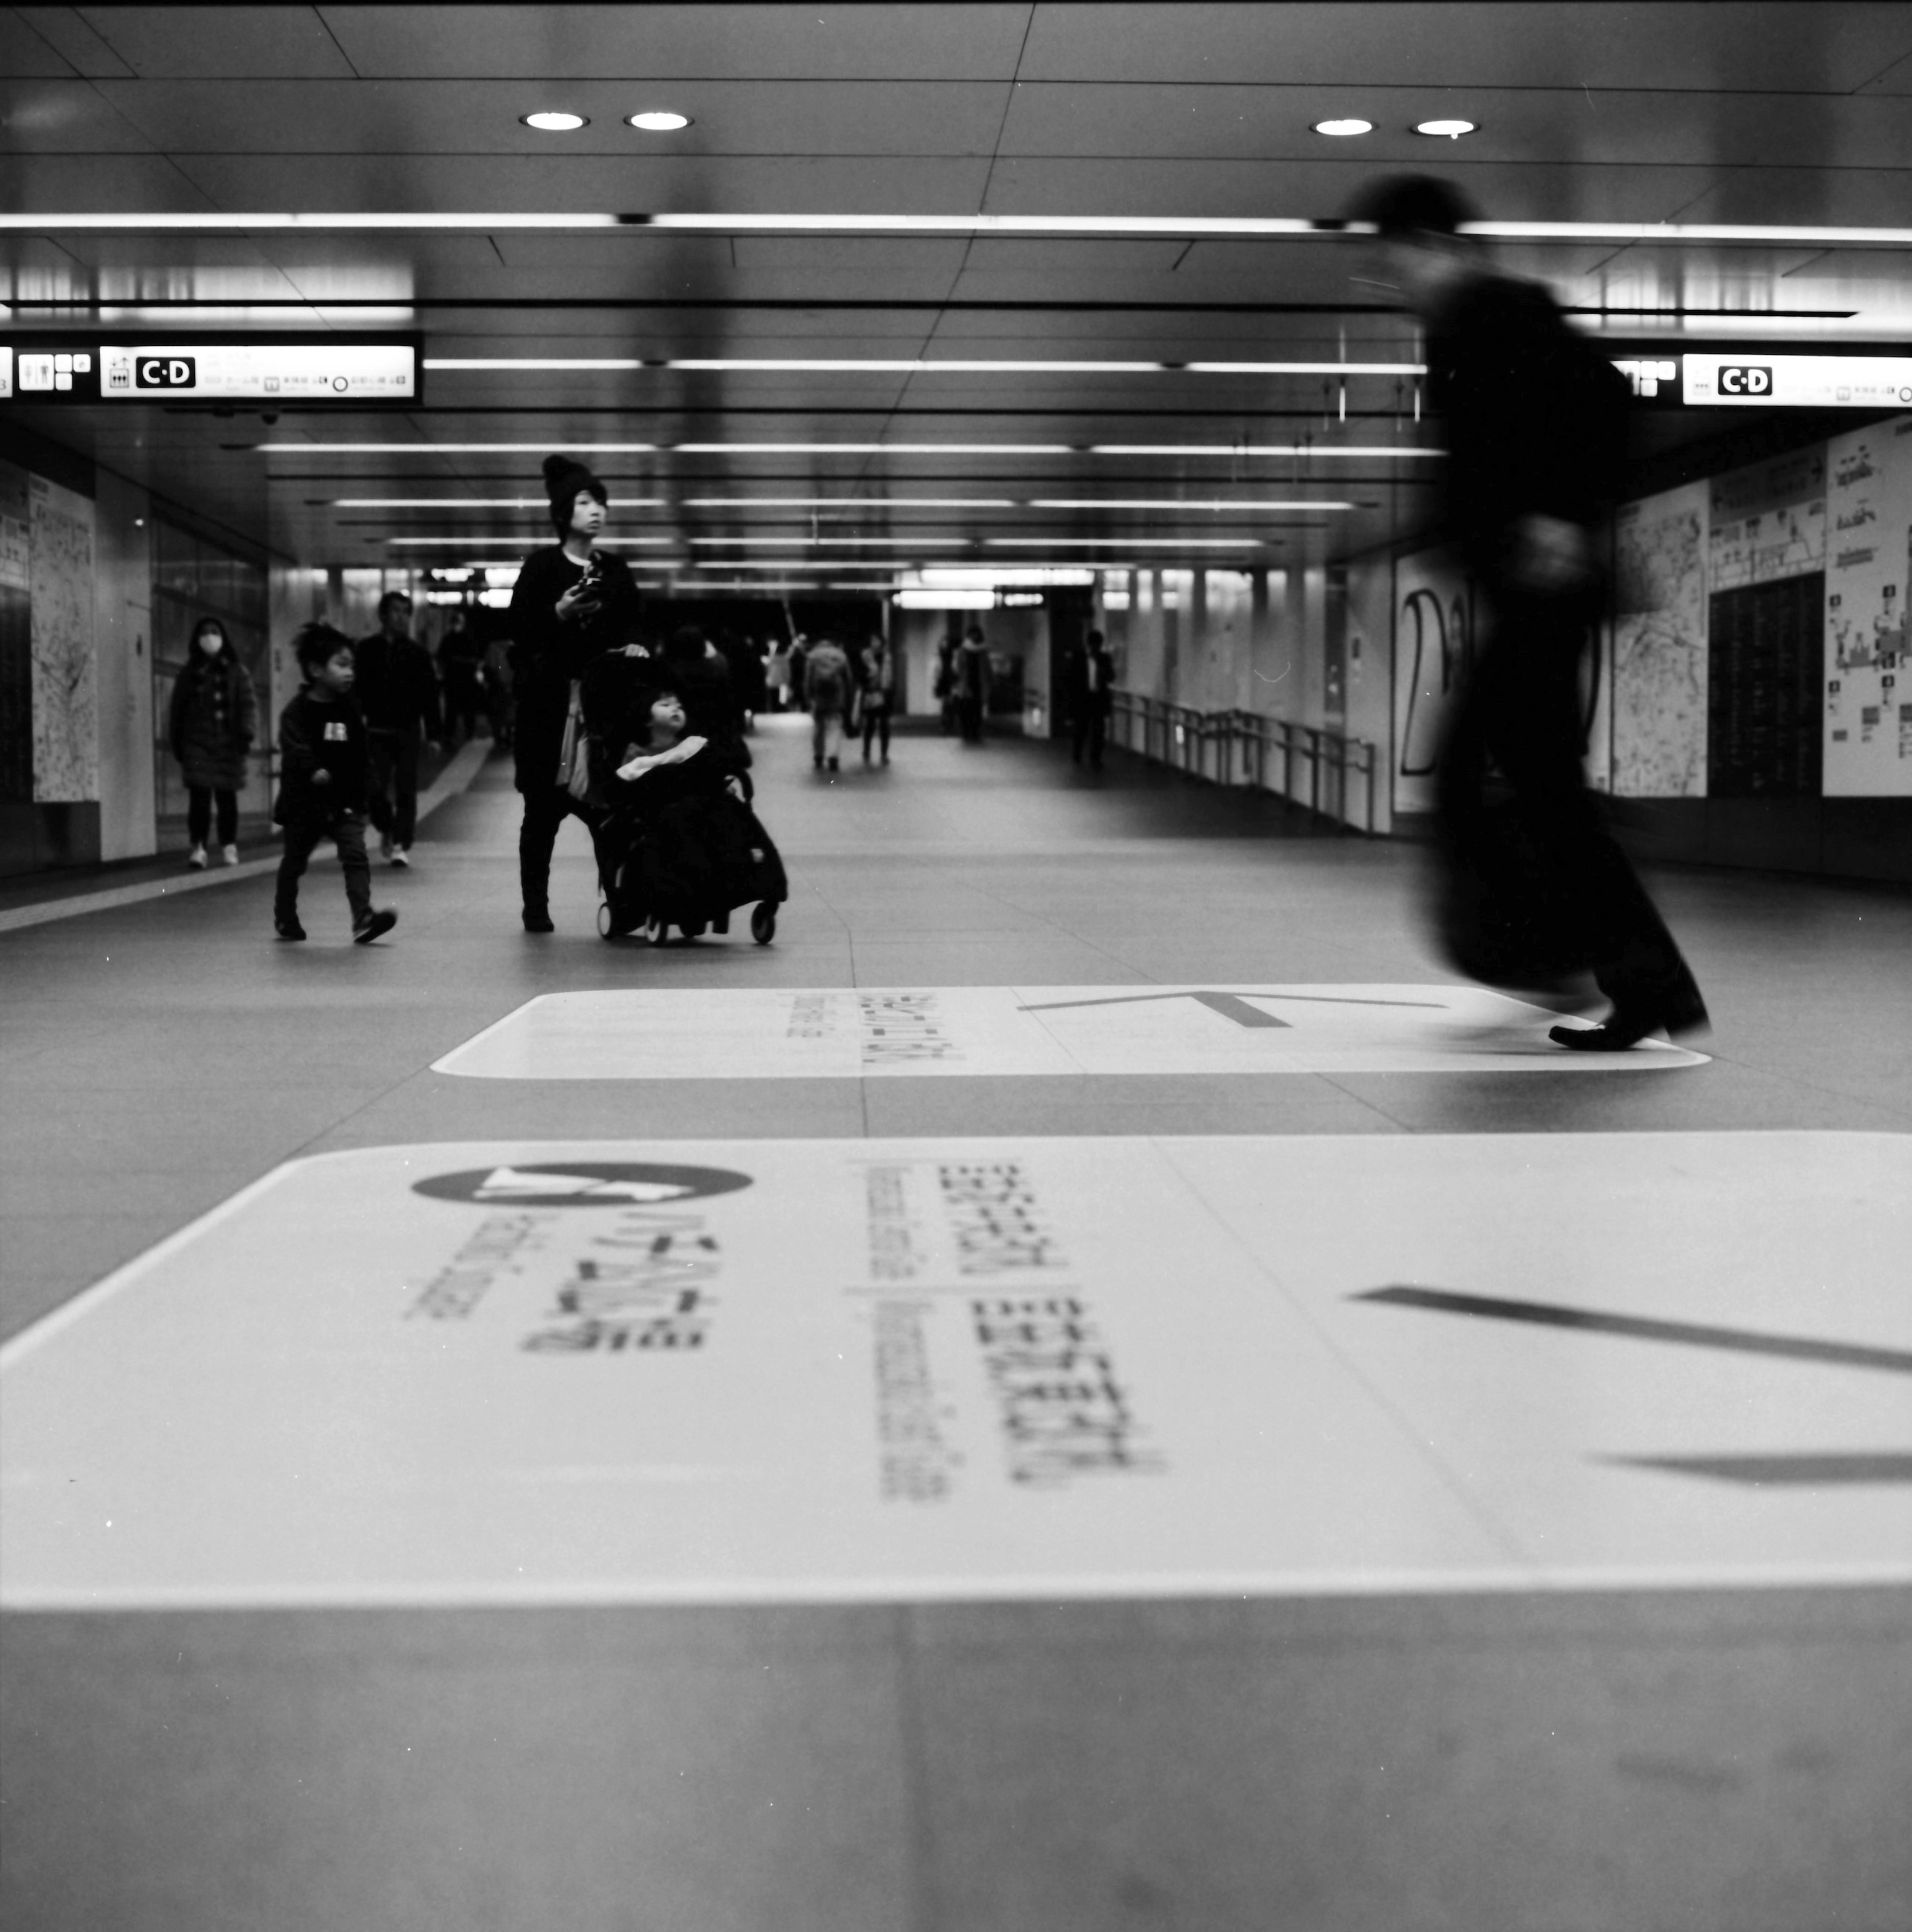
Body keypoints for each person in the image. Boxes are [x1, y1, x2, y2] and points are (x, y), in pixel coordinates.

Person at [1351, 173, 1706, 1050]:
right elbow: (1490, 459)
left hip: (1547, 591)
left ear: (1440, 247)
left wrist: (1562, 516)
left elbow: (1607, 400)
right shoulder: (1456, 329)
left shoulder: (1499, 309)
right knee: (1532, 789)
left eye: (1394, 257)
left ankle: (1551, 953)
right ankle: (1603, 968)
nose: (1388, 278)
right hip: (1527, 590)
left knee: (1501, 782)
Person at [505, 454, 639, 932]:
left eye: (600, 502)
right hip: (548, 712)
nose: (596, 511)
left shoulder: (617, 571)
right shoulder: (542, 567)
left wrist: (633, 647)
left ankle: (622, 902)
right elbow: (519, 632)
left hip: (600, 714)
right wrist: (559, 612)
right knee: (540, 817)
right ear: (564, 512)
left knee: (607, 815)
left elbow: (634, 628)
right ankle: (535, 907)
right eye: (585, 502)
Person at [271, 623, 397, 945]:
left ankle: (363, 918)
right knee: (295, 861)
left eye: (351, 665)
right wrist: (312, 767)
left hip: (345, 801)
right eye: (341, 665)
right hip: (305, 804)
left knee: (355, 854)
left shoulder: (351, 711)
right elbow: (293, 744)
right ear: (315, 669)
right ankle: (285, 916)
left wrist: (378, 802)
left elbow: (363, 756)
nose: (349, 672)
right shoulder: (297, 712)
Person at [353, 590, 442, 867]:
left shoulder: (418, 654)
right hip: (376, 730)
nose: (402, 618)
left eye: (406, 612)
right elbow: (355, 692)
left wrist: (435, 735)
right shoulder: (366, 651)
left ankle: (402, 844)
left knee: (406, 788)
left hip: (408, 731)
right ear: (382, 615)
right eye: (396, 611)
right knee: (374, 788)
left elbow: (430, 696)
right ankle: (387, 827)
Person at [167, 616, 257, 868]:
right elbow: (178, 710)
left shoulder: (238, 672)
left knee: (227, 799)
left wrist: (246, 732)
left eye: (215, 631)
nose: (210, 637)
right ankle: (199, 848)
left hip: (229, 745)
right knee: (200, 800)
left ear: (223, 636)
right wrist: (178, 743)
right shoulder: (189, 673)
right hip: (198, 745)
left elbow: (248, 705)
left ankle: (229, 845)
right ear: (197, 639)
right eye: (205, 632)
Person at [1062, 626, 1115, 769]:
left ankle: (1095, 758)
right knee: (1081, 729)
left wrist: (1104, 672)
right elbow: (1070, 679)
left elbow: (1111, 677)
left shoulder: (1105, 659)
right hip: (1082, 699)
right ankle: (1077, 755)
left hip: (1098, 699)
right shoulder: (1078, 658)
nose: (1096, 648)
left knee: (1099, 730)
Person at [437, 607, 488, 746]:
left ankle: (464, 734)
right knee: (454, 710)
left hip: (462, 680)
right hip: (457, 680)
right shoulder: (453, 639)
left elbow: (442, 658)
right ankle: (453, 736)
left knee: (464, 709)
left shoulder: (461, 638)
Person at [802, 634, 853, 772]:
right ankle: (833, 756)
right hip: (837, 694)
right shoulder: (840, 655)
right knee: (835, 726)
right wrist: (850, 697)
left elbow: (808, 679)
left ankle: (819, 756)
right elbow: (848, 678)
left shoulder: (812, 656)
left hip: (819, 696)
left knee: (819, 726)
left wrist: (808, 697)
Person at [857, 632, 895, 764]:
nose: (875, 643)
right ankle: (866, 751)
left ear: (882, 642)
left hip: (884, 694)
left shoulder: (888, 657)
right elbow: (860, 675)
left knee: (885, 725)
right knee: (870, 724)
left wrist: (890, 691)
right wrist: (868, 676)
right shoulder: (865, 656)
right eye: (873, 640)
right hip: (871, 693)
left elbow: (891, 675)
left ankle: (884, 754)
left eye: (877, 640)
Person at [955, 624, 991, 743]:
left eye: (976, 634)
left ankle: (975, 733)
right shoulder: (963, 650)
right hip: (967, 685)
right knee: (966, 710)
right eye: (973, 634)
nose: (975, 636)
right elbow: (959, 668)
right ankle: (967, 733)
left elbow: (987, 669)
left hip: (978, 685)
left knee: (977, 710)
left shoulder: (983, 651)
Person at [765, 639, 793, 713]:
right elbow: (787, 672)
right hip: (780, 683)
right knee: (781, 703)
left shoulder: (774, 659)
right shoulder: (783, 659)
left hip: (774, 683)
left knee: (777, 702)